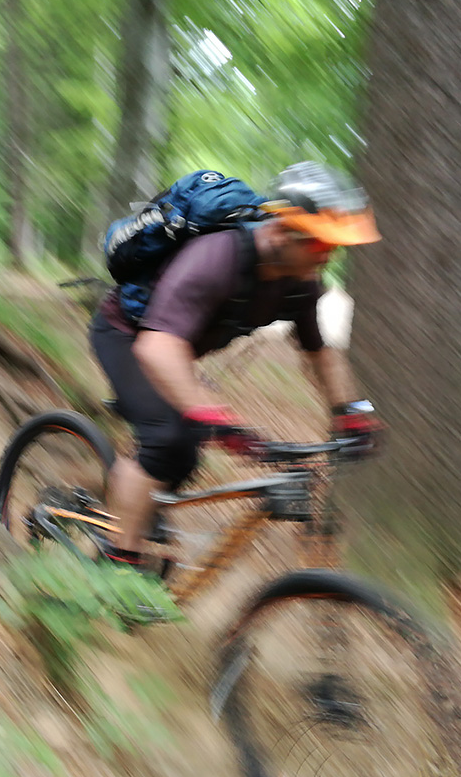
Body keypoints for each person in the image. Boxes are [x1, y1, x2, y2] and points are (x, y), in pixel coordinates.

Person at [90, 161, 383, 572]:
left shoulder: (300, 284)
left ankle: (136, 506)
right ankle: (113, 562)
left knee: (184, 454)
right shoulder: (217, 258)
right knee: (166, 438)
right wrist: (211, 414)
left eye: (333, 247)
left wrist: (351, 411)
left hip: (175, 348)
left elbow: (319, 351)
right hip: (129, 334)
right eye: (320, 246)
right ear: (282, 232)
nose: (327, 257)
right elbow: (156, 346)